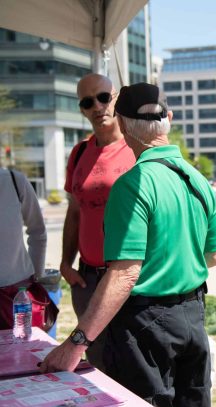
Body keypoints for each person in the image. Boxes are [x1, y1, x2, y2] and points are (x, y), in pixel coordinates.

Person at [41, 83, 216, 407]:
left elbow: (124, 273)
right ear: (167, 120)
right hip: (193, 315)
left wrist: (76, 343)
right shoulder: (198, 180)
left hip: (146, 323)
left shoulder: (132, 183)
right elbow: (213, 256)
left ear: (122, 125)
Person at [60, 73, 135, 370]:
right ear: (82, 108)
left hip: (129, 279)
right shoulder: (79, 153)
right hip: (87, 279)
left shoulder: (137, 148)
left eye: (104, 97)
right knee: (98, 368)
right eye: (88, 101)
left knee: (134, 369)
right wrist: (66, 263)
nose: (97, 106)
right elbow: (75, 211)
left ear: (116, 98)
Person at [0, 167, 47, 329]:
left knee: (21, 352)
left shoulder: (15, 181)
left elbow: (38, 233)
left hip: (15, 296)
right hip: (17, 293)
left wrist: (35, 279)